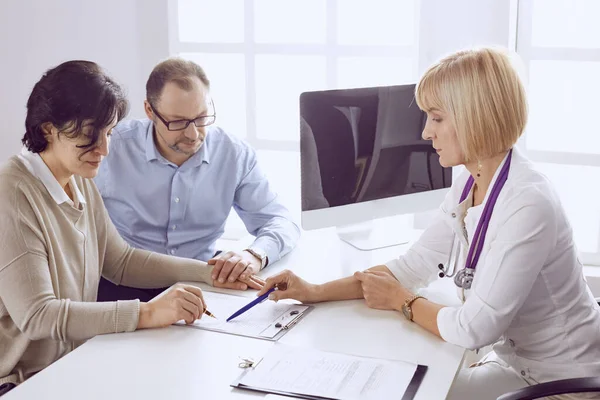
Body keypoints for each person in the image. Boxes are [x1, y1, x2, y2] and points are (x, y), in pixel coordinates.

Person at [257, 48, 600, 400]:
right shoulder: (470, 182)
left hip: (564, 384)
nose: (425, 133)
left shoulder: (528, 202)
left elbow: (474, 329)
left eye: (436, 118)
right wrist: (314, 290)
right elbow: (410, 267)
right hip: (517, 366)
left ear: (474, 118)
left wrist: (403, 303)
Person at [0, 60, 263, 393]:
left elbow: (121, 262)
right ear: (48, 130)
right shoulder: (13, 191)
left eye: (108, 134)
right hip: (22, 382)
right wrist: (147, 312)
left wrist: (210, 273)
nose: (104, 150)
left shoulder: (77, 178)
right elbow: (39, 316)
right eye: (88, 137)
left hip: (74, 363)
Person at [94, 58, 300, 301]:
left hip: (203, 284)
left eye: (202, 118)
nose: (193, 134)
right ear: (150, 110)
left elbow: (280, 221)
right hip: (123, 287)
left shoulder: (233, 154)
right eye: (178, 122)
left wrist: (254, 255)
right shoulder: (110, 147)